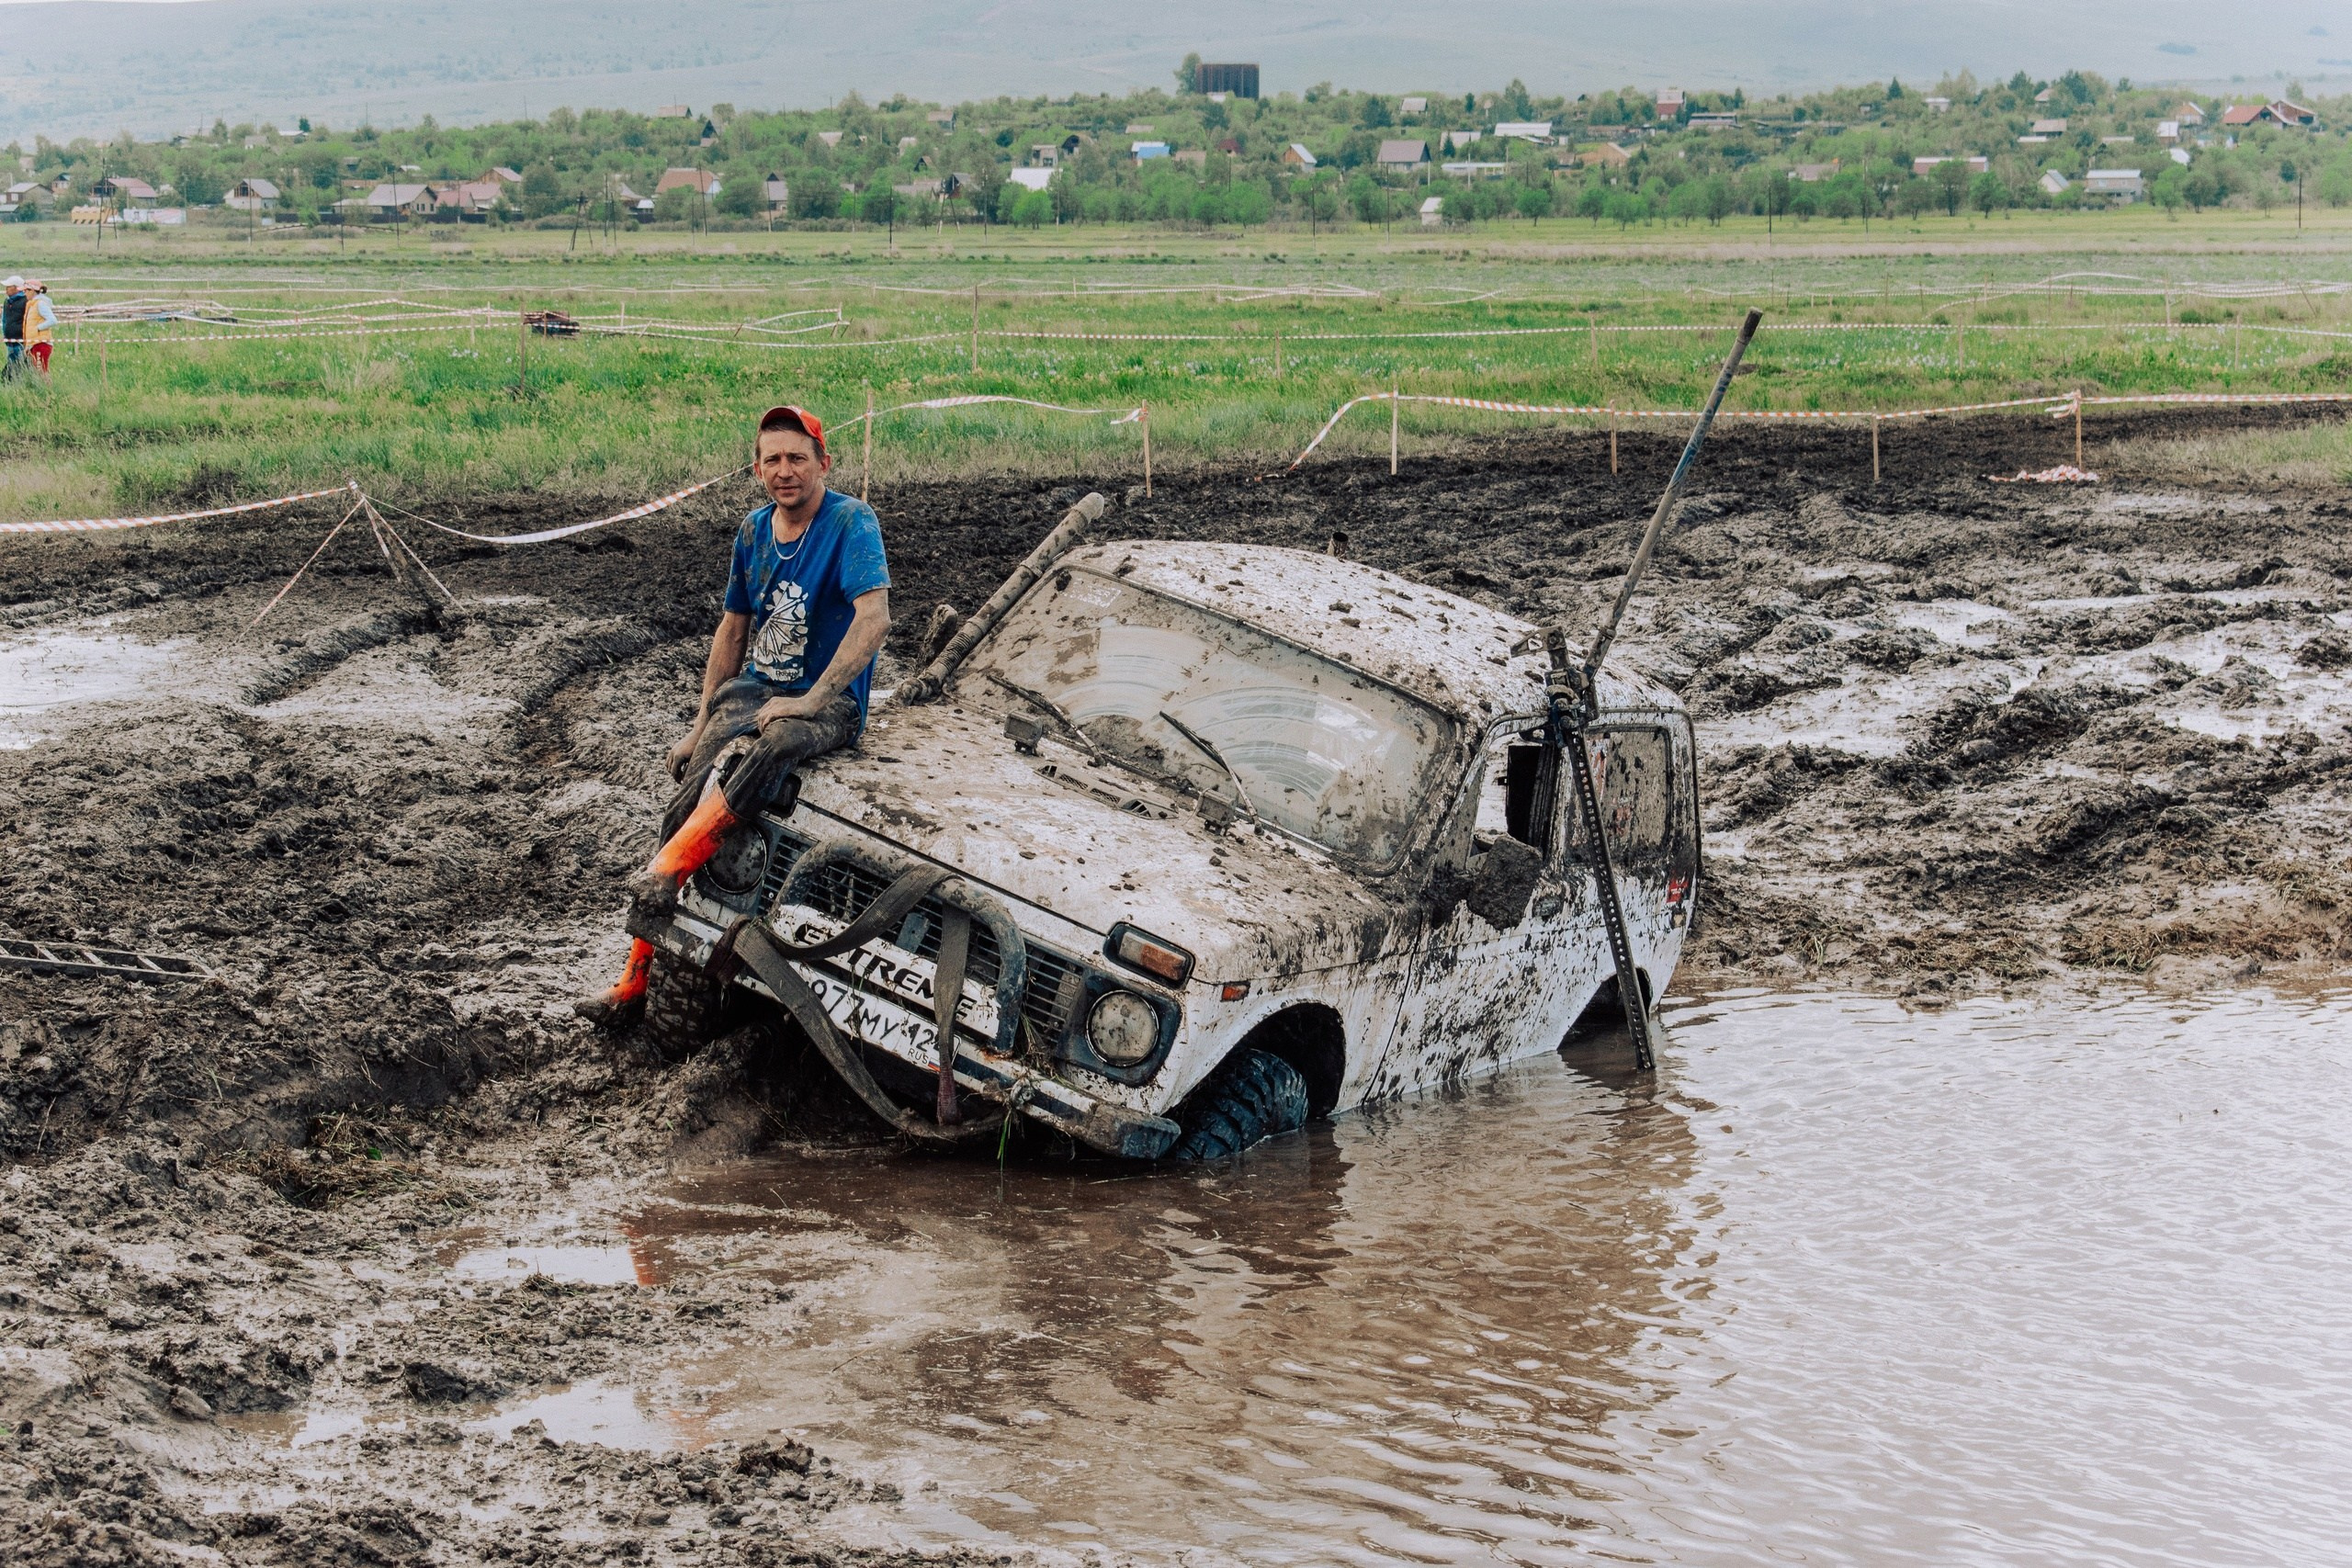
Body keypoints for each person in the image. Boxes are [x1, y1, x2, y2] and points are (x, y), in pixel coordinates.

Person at [577, 403, 892, 1025]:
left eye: (797, 458)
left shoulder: (852, 521)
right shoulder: (752, 531)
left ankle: (671, 869)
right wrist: (699, 727)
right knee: (685, 798)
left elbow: (874, 619)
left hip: (828, 701)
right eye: (773, 459)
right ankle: (635, 979)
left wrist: (811, 700)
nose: (785, 470)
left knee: (777, 743)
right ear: (757, 469)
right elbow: (732, 629)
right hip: (755, 689)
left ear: (823, 463)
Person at [25, 281, 53, 378]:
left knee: (41, 373)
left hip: (41, 344)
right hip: (35, 343)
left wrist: (37, 328)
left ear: (32, 290)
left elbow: (52, 320)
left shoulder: (40, 304)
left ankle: (46, 387)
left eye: (26, 291)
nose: (24, 293)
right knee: (39, 373)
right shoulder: (33, 304)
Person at [1, 277, 24, 382]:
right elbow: (4, 320)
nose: (6, 289)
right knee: (11, 363)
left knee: (20, 365)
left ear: (16, 288)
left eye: (8, 287)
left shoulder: (25, 301)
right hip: (9, 341)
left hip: (21, 341)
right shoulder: (7, 301)